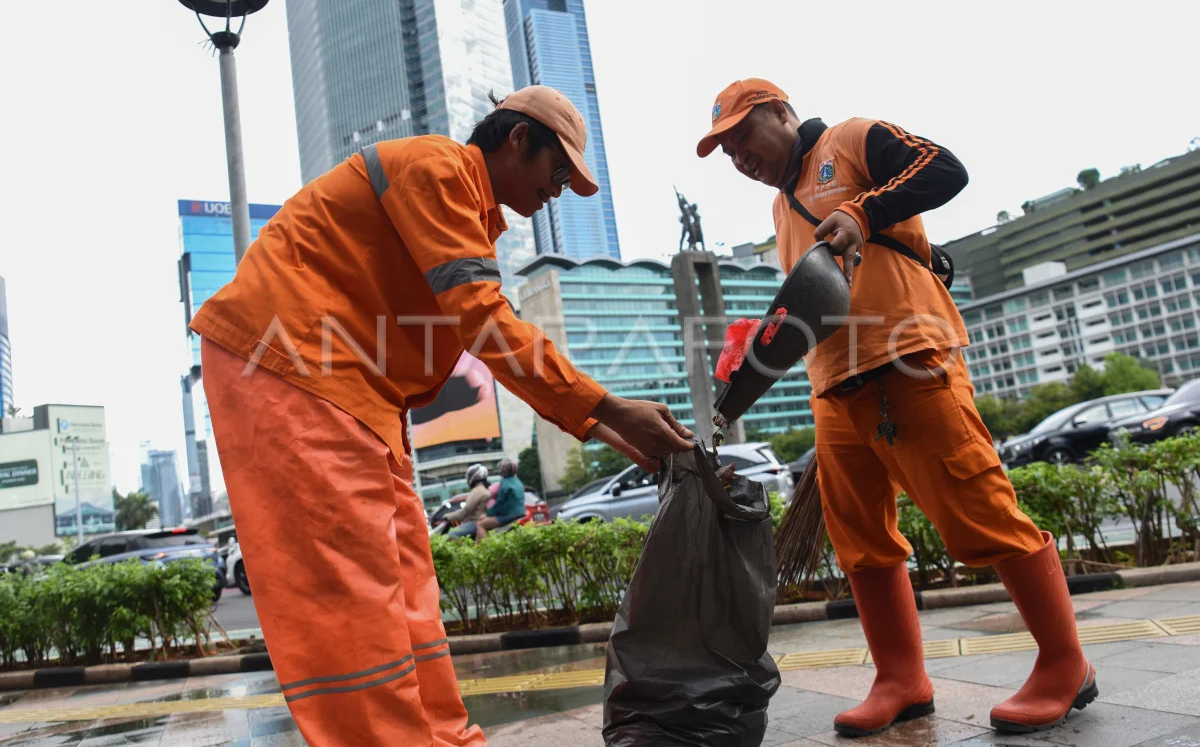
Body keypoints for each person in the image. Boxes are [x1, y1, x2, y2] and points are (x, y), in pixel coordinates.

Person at [191, 84, 694, 747]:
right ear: (517, 139)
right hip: (290, 368)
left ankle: (446, 737)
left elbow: (478, 328)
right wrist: (609, 408)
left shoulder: (467, 210)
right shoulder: (439, 170)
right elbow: (485, 322)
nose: (559, 192)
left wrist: (606, 428)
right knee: (352, 600)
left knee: (408, 589)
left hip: (354, 391)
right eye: (558, 173)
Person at [697, 80, 1093, 737]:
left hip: (909, 360)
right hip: (834, 386)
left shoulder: (850, 140)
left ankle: (1064, 663)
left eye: (743, 137)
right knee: (861, 544)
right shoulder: (779, 207)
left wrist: (862, 212)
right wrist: (759, 344)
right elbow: (819, 296)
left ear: (780, 112)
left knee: (984, 515)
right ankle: (901, 680)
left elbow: (945, 168)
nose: (739, 157)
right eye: (727, 151)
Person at [474, 458, 524, 540]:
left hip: (509, 515)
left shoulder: (505, 484)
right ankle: (477, 546)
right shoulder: (518, 482)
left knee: (480, 524)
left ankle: (486, 546)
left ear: (503, 470)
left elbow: (499, 504)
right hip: (521, 513)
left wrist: (487, 514)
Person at [444, 464, 492, 540]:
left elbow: (465, 511)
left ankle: (465, 548)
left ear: (474, 477)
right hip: (483, 522)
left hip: (475, 523)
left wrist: (448, 516)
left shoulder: (477, 490)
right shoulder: (485, 488)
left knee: (451, 535)